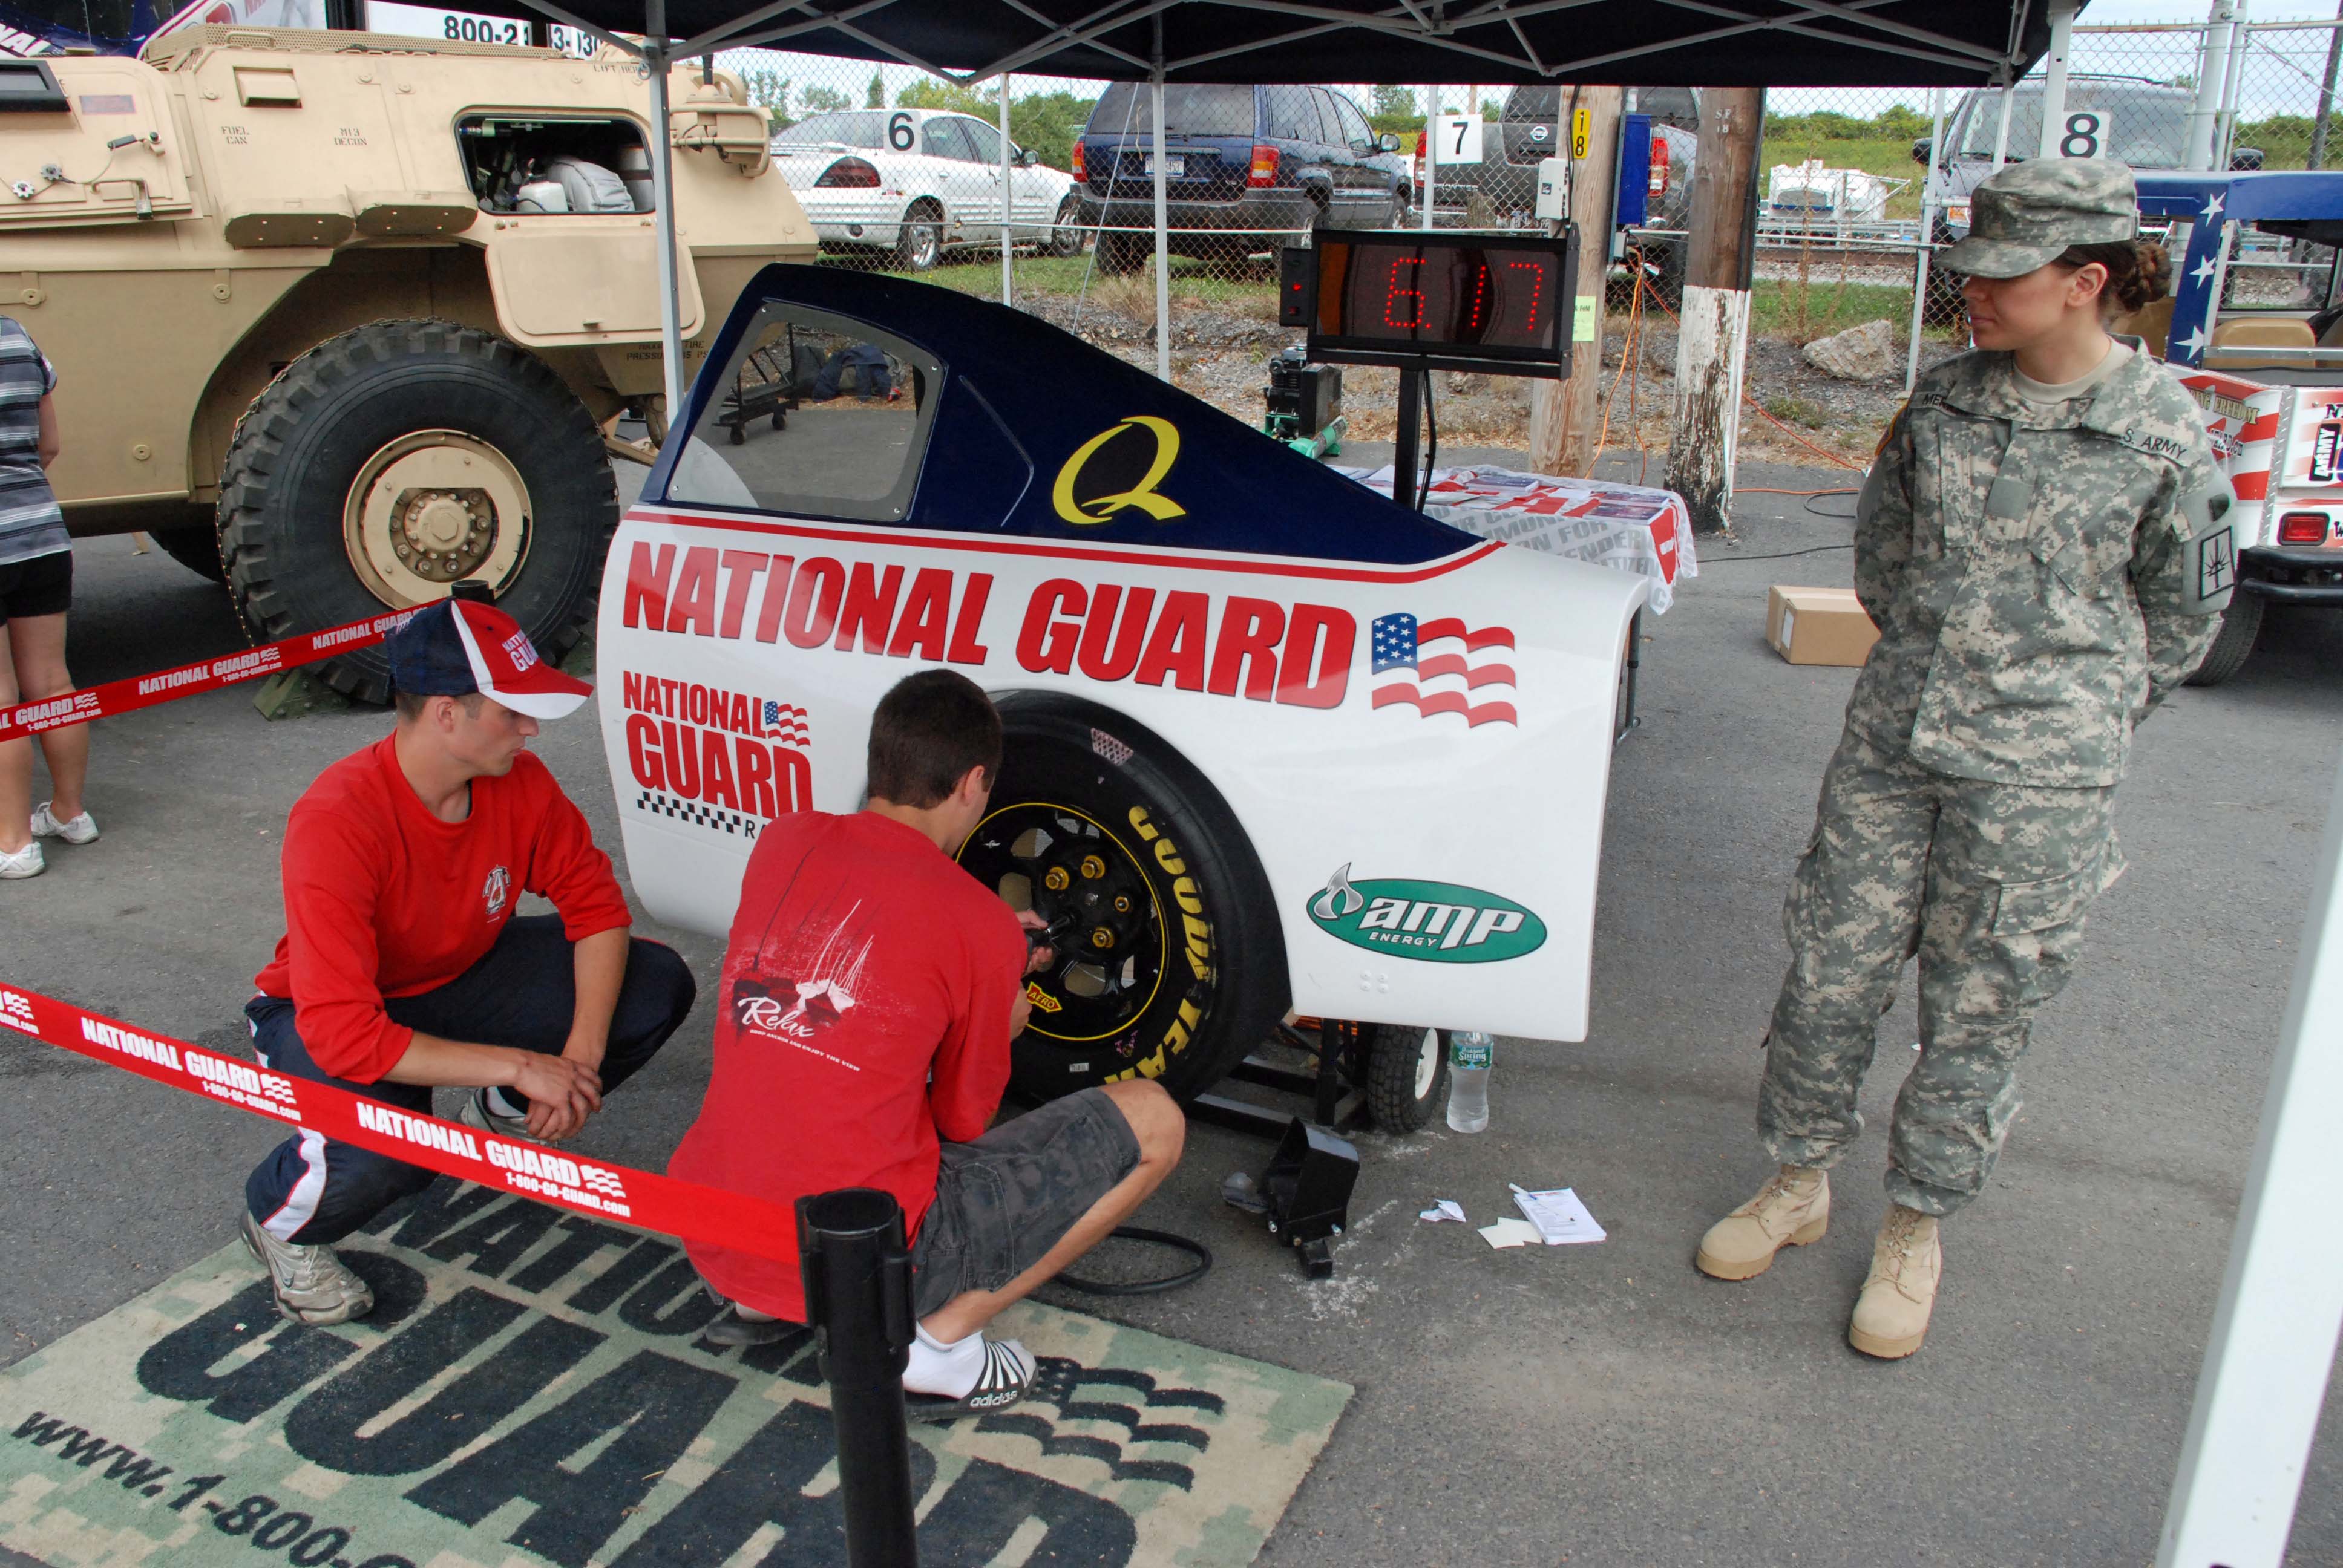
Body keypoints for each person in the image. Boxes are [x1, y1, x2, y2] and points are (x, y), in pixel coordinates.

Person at [1694, 158, 2237, 1359]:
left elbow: (2182, 619)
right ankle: (1796, 1179)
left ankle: (1914, 1225)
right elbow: (1883, 561)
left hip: (2040, 779)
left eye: (2001, 275)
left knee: (1981, 1003)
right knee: (1828, 968)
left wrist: (2070, 717)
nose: (1970, 295)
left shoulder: (2162, 433)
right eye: (1968, 271)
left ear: (2084, 282)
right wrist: (1936, 670)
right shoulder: (1942, 403)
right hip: (1894, 745)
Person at [669, 668, 1185, 1420]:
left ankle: (760, 1301)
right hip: (860, 1252)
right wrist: (999, 1009)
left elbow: (873, 942)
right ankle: (937, 1348)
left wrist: (984, 953)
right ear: (973, 782)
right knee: (1156, 1121)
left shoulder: (786, 840)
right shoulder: (975, 925)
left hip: (717, 1232)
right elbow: (960, 1122)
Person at [239, 590, 696, 1325]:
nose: (530, 729)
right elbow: (344, 1034)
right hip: (322, 1012)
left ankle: (502, 1118)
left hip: (456, 975)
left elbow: (597, 911)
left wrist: (574, 1061)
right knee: (392, 1155)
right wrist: (518, 1063)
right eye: (512, 711)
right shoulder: (338, 818)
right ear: (447, 714)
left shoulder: (520, 782)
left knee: (653, 984)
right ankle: (279, 1223)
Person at [0, 313, 95, 881]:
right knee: (53, 682)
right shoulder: (16, 337)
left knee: (0, 698)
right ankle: (69, 813)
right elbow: (49, 444)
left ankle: (14, 843)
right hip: (39, 533)